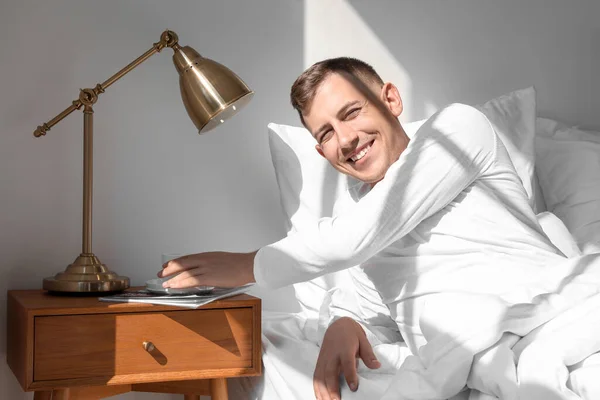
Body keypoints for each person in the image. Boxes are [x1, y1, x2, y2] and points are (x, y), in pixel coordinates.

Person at [158, 57, 574, 399]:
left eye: (352, 112)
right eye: (327, 133)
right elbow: (376, 312)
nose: (347, 138)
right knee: (254, 344)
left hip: (539, 321)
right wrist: (346, 325)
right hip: (457, 356)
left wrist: (249, 265)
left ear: (390, 98)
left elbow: (359, 236)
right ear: (321, 152)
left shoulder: (458, 129)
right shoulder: (357, 211)